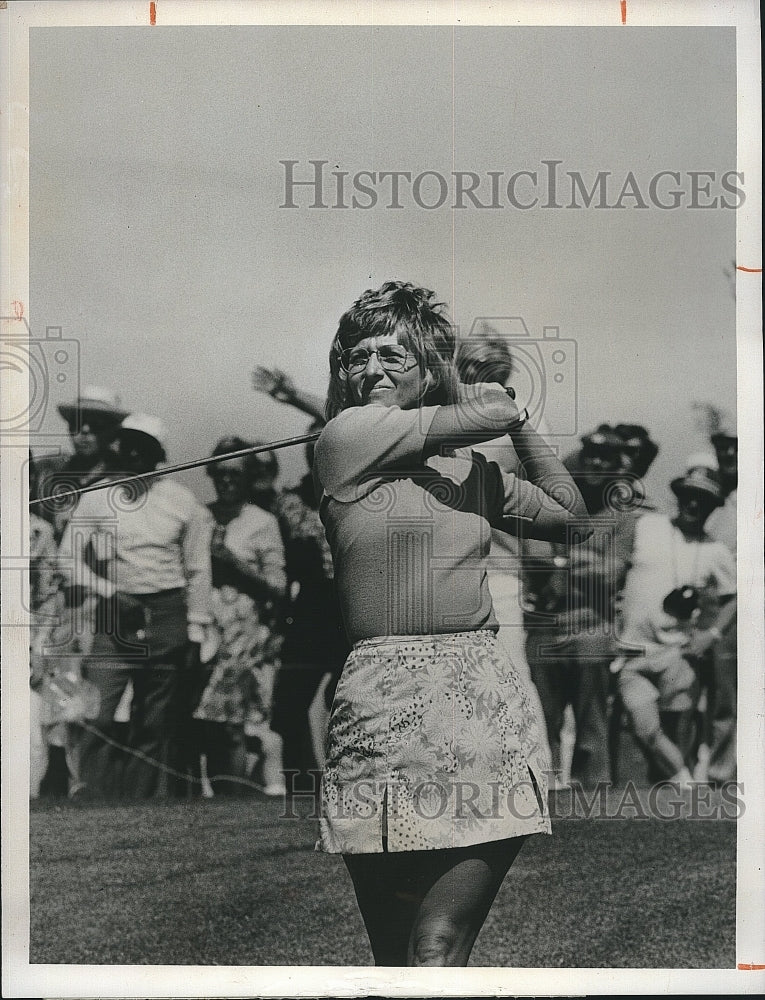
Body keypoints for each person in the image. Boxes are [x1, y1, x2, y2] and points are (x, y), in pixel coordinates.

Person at [313, 281, 592, 967]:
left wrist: (522, 425)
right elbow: (483, 410)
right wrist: (495, 402)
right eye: (357, 357)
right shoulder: (343, 439)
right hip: (381, 700)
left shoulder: (471, 472)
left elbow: (570, 518)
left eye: (392, 356)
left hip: (477, 696)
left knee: (437, 947)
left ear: (426, 368)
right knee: (392, 954)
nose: (370, 370)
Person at [59, 414, 216, 798]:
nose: (130, 452)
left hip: (168, 611)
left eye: (141, 446)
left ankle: (145, 805)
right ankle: (90, 798)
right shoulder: (96, 495)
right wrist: (109, 592)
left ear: (157, 454)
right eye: (126, 442)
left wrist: (195, 630)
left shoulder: (183, 501)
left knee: (155, 719)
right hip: (115, 613)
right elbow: (67, 559)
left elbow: (198, 570)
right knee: (96, 709)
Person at [453, 333, 552, 769]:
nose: (477, 377)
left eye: (488, 369)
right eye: (471, 368)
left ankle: (539, 769)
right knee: (459, 679)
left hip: (501, 570)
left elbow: (550, 501)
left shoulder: (519, 425)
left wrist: (541, 566)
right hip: (453, 569)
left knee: (510, 669)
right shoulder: (441, 418)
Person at [525, 424, 642, 787]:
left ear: (616, 466)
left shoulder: (621, 512)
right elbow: (537, 557)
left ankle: (592, 787)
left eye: (606, 458)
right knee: (543, 712)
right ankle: (543, 786)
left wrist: (566, 560)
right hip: (545, 622)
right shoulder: (554, 496)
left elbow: (613, 574)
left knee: (591, 711)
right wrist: (587, 561)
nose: (596, 463)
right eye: (591, 454)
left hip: (591, 624)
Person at [252, 367, 349, 791]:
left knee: (347, 701)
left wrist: (295, 395)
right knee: (289, 703)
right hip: (310, 612)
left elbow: (348, 419)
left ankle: (351, 782)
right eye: (311, 451)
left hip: (354, 609)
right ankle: (299, 784)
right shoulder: (288, 503)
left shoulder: (358, 493)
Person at [614, 461, 736, 785]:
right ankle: (685, 782)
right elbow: (614, 573)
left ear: (713, 507)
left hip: (677, 655)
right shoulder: (647, 526)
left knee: (679, 731)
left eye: (704, 500)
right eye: (689, 496)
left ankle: (681, 800)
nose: (694, 504)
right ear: (678, 496)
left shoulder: (716, 551)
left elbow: (733, 597)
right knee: (644, 727)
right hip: (632, 652)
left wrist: (711, 634)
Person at [193, 437, 287, 796]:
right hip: (205, 633)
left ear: (247, 477)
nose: (227, 482)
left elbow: (278, 587)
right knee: (207, 723)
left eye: (235, 474)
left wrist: (232, 564)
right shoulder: (201, 516)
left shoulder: (262, 523)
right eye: (220, 474)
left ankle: (236, 798)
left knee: (235, 722)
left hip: (245, 638)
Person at [700, 425, 737, 783]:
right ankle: (723, 772)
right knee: (723, 697)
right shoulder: (718, 505)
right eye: (722, 447)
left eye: (736, 447)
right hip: (725, 610)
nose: (728, 455)